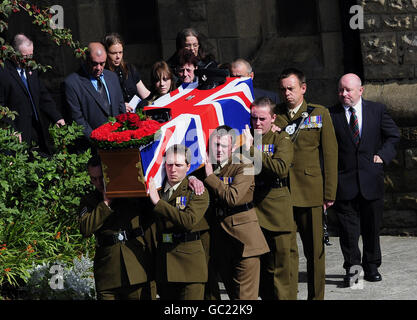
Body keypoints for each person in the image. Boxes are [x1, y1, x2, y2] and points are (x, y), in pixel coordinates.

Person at [329, 73, 400, 286]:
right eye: (341, 90)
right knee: (348, 232)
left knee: (371, 228)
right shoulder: (330, 114)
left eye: (348, 90)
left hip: (371, 180)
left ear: (360, 90)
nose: (344, 94)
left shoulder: (376, 110)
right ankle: (353, 270)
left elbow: (393, 135)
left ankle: (371, 266)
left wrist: (383, 155)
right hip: (345, 182)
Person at [274, 68, 338, 300]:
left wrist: (329, 193)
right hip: (281, 194)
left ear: (303, 88)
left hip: (311, 192)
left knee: (315, 252)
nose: (287, 94)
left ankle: (316, 297)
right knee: (286, 252)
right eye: (282, 89)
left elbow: (330, 155)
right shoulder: (274, 115)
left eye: (291, 89)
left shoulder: (319, 114)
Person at [204, 125, 269, 300]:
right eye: (215, 145)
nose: (218, 150)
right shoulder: (207, 167)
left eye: (223, 146)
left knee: (244, 298)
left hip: (244, 242)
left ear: (232, 147)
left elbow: (233, 198)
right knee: (233, 295)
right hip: (222, 244)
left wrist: (210, 177)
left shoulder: (245, 165)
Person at [79, 155, 156, 300]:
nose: (98, 183)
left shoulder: (131, 193)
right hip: (108, 270)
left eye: (101, 177)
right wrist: (105, 204)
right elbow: (86, 228)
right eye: (93, 179)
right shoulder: (89, 200)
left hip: (136, 264)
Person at [243, 97, 297, 300]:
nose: (257, 123)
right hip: (253, 210)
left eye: (262, 119)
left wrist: (251, 150)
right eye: (254, 118)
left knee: (281, 270)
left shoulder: (281, 139)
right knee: (262, 271)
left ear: (273, 118)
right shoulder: (247, 136)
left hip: (276, 211)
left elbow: (280, 169)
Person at [148, 144, 210, 300]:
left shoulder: (196, 190)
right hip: (165, 264)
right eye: (169, 164)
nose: (173, 169)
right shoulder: (157, 190)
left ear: (188, 166)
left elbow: (188, 221)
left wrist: (158, 203)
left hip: (189, 265)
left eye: (178, 165)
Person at [0, 34, 65, 155]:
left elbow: (43, 95)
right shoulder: (3, 73)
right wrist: (10, 129)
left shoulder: (32, 69)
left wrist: (56, 116)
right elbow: (1, 106)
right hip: (18, 132)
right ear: (13, 53)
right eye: (25, 56)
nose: (29, 60)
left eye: (31, 55)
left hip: (37, 130)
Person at [64, 42, 126, 141]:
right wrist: (97, 140)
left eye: (102, 63)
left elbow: (120, 106)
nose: (99, 68)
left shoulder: (112, 77)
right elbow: (77, 119)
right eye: (94, 64)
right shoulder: (72, 83)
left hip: (118, 140)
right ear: (86, 60)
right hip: (92, 144)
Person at [103, 33, 151, 112]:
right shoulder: (103, 75)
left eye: (120, 52)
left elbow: (145, 94)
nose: (118, 56)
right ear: (106, 53)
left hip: (137, 112)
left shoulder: (129, 69)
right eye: (114, 53)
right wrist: (119, 106)